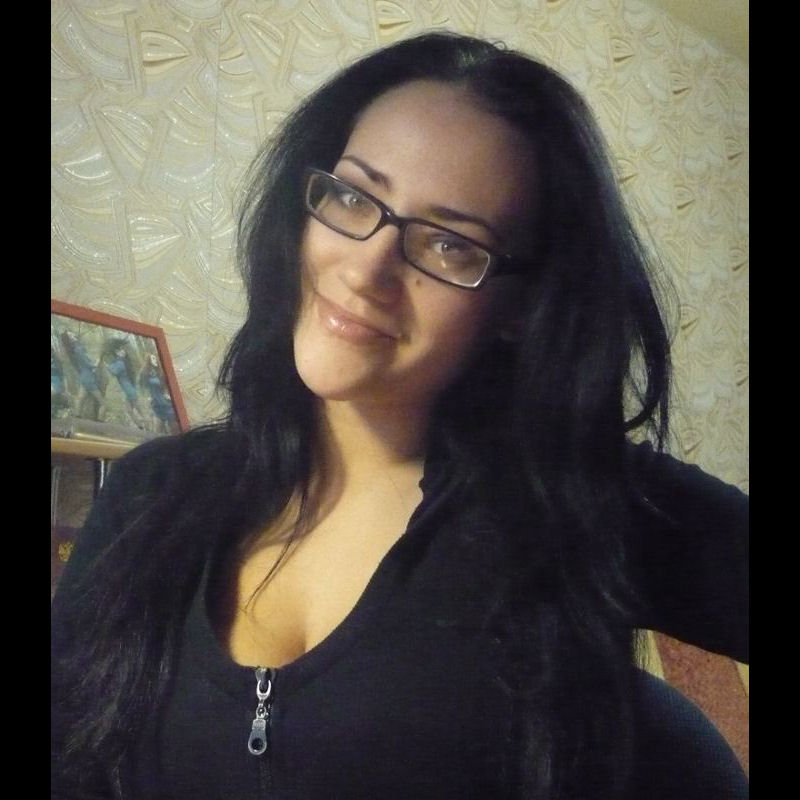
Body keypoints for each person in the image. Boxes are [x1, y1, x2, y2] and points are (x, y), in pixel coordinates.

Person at [51, 31, 748, 800]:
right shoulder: (150, 495)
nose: (366, 268)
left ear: (520, 306)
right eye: (354, 197)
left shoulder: (577, 501)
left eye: (449, 244)